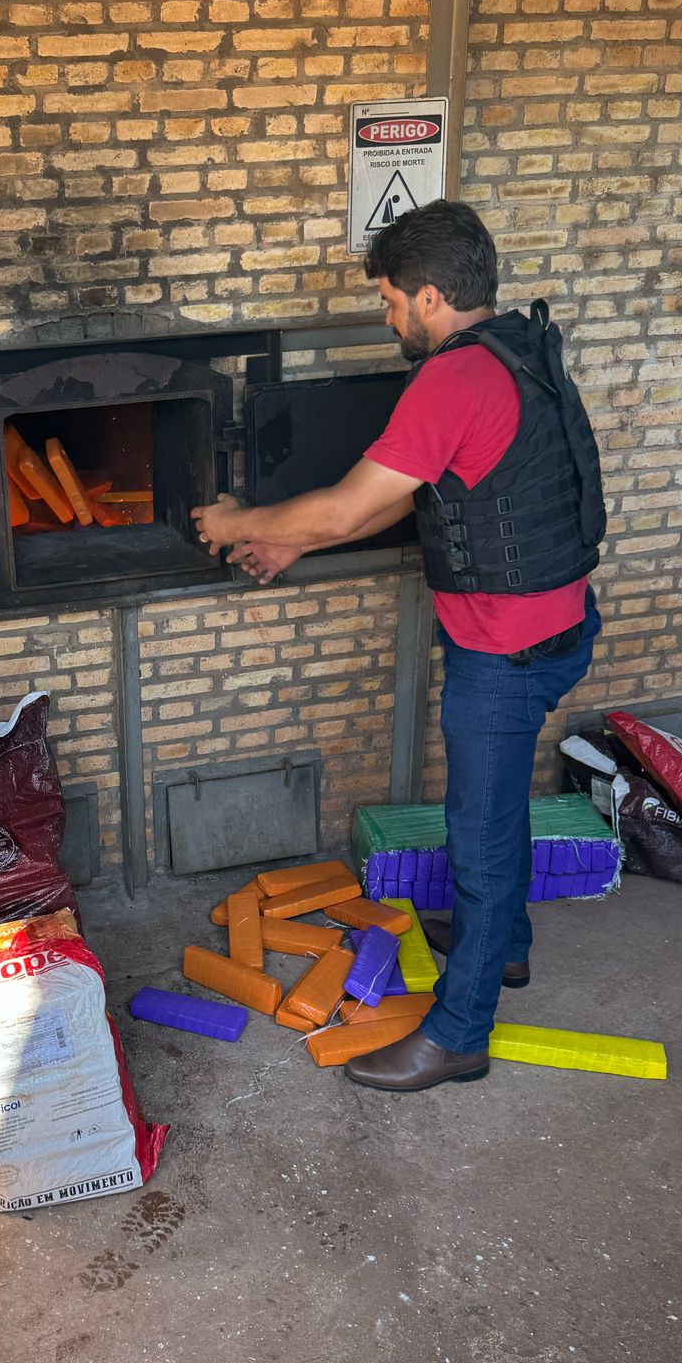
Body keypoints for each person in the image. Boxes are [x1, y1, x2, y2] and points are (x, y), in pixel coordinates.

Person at [192, 200, 605, 1093]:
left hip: (505, 652)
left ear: (427, 297)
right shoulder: (519, 349)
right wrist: (293, 542)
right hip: (559, 625)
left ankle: (459, 1034)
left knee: (482, 838)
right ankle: (508, 950)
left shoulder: (453, 379)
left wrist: (240, 520)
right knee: (493, 819)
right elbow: (403, 493)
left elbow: (349, 503)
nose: (387, 319)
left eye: (388, 300)